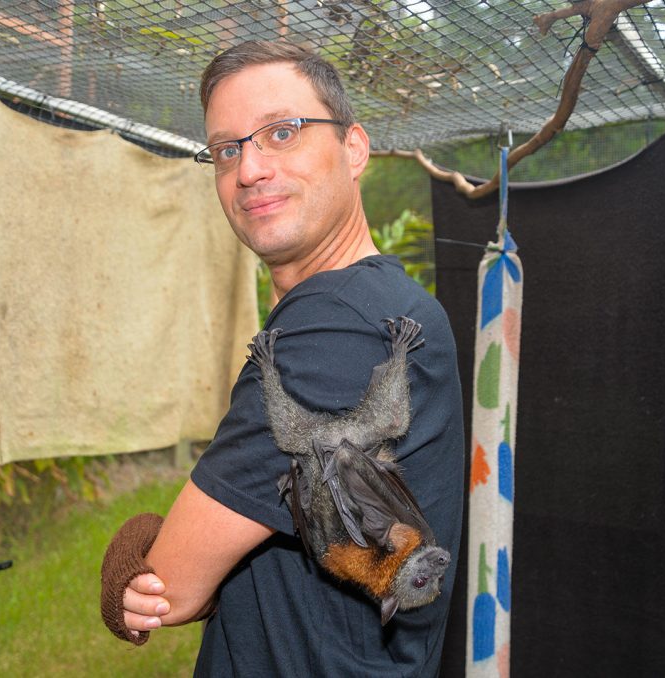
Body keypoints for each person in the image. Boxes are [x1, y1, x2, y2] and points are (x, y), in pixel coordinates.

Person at [100, 40, 465, 677]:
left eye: (282, 132)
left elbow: (171, 584)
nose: (249, 169)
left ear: (354, 148)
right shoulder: (377, 307)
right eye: (226, 149)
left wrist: (144, 541)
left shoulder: (342, 323)